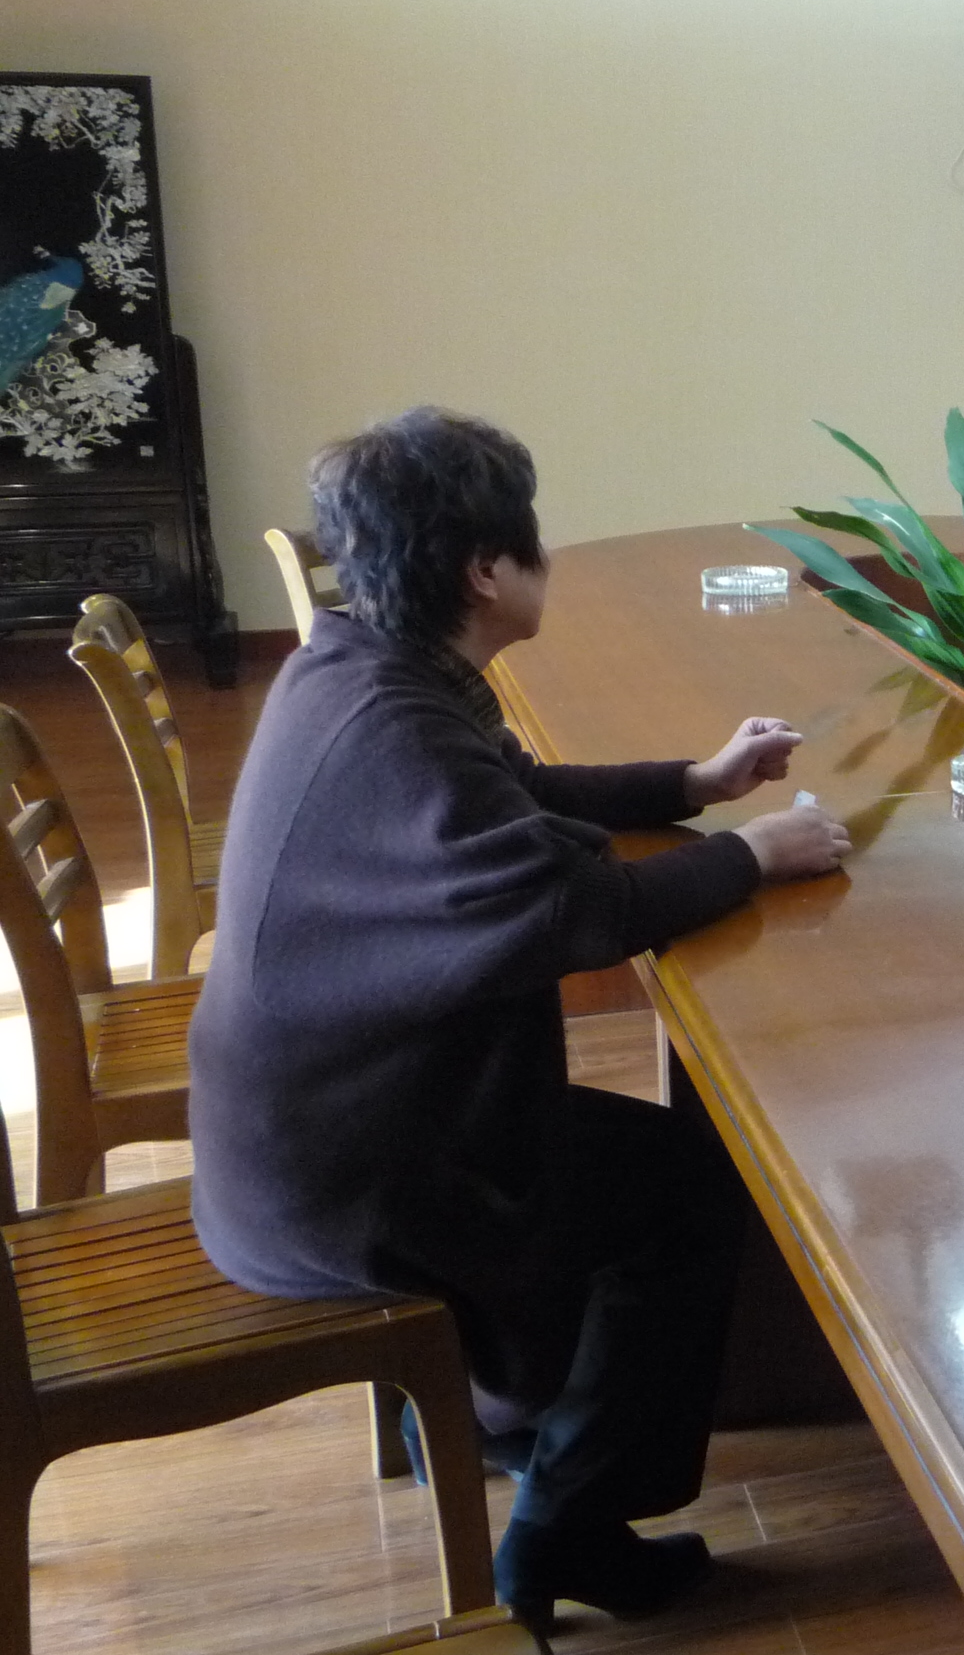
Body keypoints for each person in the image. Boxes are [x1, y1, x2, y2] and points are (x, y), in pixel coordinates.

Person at [186, 408, 853, 1632]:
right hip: (354, 1185)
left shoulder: (359, 668)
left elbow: (518, 789)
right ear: (486, 570)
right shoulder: (399, 732)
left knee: (657, 1168)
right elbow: (575, 909)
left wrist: (692, 783)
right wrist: (754, 853)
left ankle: (505, 1424)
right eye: (530, 538)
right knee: (694, 1188)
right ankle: (563, 1525)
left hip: (315, 1133)